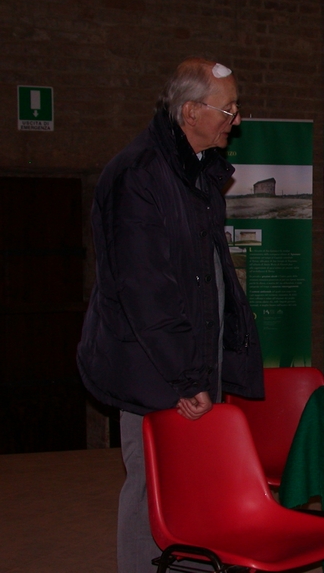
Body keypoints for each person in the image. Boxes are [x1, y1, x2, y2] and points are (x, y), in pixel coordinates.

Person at [77, 58, 264, 573]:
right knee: (153, 490)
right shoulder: (138, 174)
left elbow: (206, 275)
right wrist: (185, 376)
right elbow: (145, 291)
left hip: (192, 364)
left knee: (199, 485)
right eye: (227, 108)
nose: (237, 119)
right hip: (155, 371)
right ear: (189, 111)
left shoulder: (197, 170)